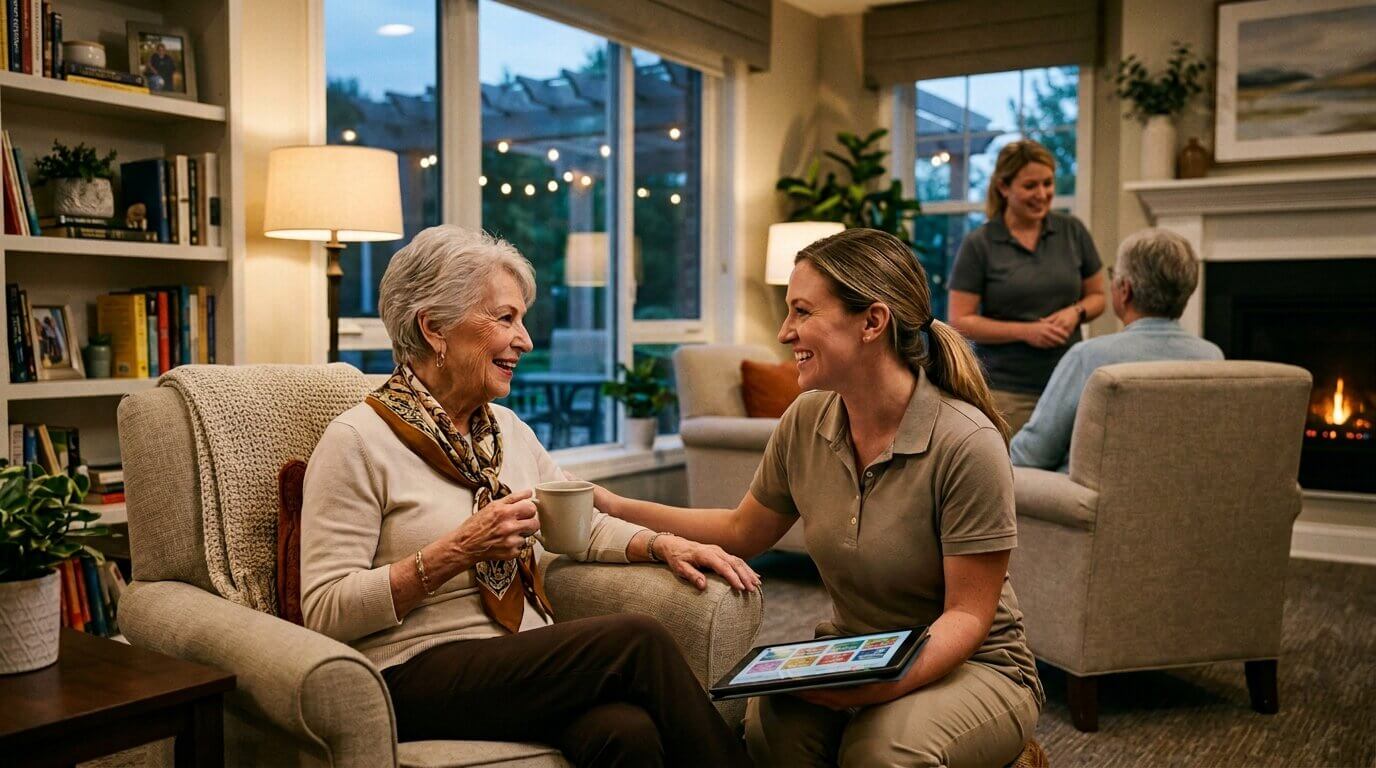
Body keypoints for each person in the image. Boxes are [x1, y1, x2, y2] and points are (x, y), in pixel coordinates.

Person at [299, 225, 755, 768]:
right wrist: (455, 552)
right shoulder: (357, 441)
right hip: (408, 671)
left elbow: (573, 523)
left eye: (522, 319)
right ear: (434, 328)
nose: (526, 340)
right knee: (638, 639)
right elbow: (324, 611)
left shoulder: (508, 431)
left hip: (513, 658)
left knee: (625, 733)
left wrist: (662, 546)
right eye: (505, 318)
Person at [594, 228, 1043, 767]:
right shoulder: (806, 419)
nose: (785, 332)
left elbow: (966, 620)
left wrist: (880, 690)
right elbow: (742, 530)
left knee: (880, 752)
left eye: (802, 312)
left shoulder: (966, 442)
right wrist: (614, 506)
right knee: (771, 731)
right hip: (855, 651)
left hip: (978, 666)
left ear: (872, 322)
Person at [1011, 228, 1223, 471]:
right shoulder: (1211, 358)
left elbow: (1031, 454)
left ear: (1125, 290)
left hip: (1088, 504)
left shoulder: (1087, 357)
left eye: (1113, 276)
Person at [948, 139, 1106, 433]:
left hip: (1069, 386)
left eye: (1048, 184)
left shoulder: (1072, 231)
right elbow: (960, 322)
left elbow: (1098, 296)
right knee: (1014, 476)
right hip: (1007, 391)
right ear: (1004, 188)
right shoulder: (979, 244)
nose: (1042, 194)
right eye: (1030, 186)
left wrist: (1076, 312)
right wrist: (1026, 332)